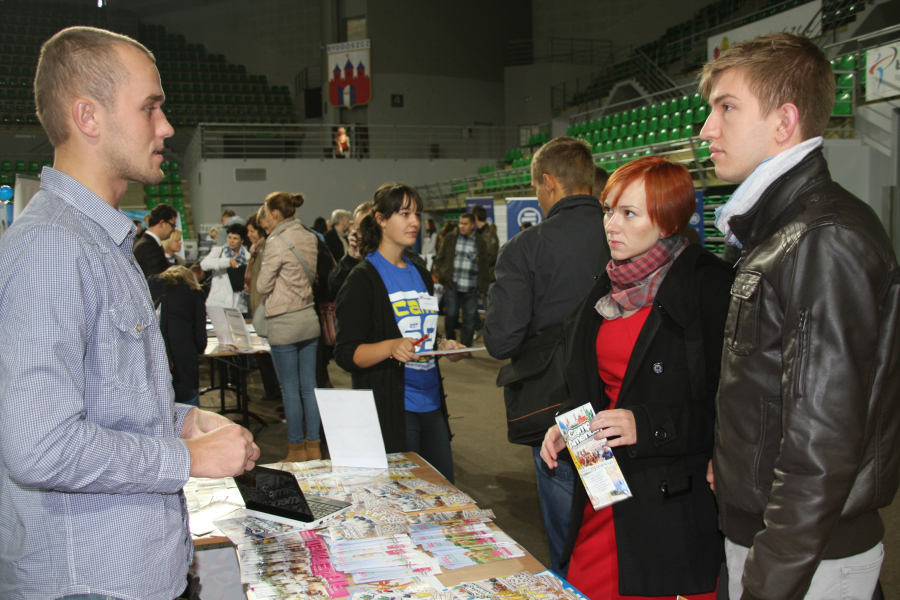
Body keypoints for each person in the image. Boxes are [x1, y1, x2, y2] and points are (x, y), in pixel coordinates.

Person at [0, 26, 258, 600]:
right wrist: (184, 456)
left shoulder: (102, 243)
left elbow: (104, 403)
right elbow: (40, 446)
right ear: (88, 117)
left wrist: (181, 421)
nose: (165, 127)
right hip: (90, 582)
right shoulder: (52, 246)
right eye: (149, 108)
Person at [700, 33, 900, 600]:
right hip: (774, 540)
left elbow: (823, 444)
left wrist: (770, 582)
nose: (707, 129)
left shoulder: (822, 237)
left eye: (727, 108)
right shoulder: (779, 231)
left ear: (784, 122)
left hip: (802, 558)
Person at [540, 156, 733, 599]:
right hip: (602, 486)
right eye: (609, 210)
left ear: (667, 221)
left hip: (668, 506)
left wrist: (645, 424)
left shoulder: (709, 288)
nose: (611, 225)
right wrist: (569, 424)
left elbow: (735, 412)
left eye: (629, 213)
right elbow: (590, 382)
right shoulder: (607, 284)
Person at [484, 136, 610, 574]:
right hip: (621, 400)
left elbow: (501, 341)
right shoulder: (623, 233)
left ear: (549, 182)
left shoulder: (526, 247)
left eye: (536, 186)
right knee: (609, 526)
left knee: (569, 535)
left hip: (564, 411)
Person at [334, 183, 466, 483]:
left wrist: (442, 344)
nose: (414, 222)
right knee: (408, 493)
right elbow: (346, 353)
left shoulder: (420, 273)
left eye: (417, 214)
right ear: (381, 220)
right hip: (394, 406)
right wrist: (390, 347)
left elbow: (422, 334)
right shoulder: (362, 280)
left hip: (432, 402)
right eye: (404, 214)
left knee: (444, 490)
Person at [257, 192, 322, 462]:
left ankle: (296, 450)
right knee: (309, 387)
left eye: (266, 213)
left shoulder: (276, 242)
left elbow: (262, 285)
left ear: (274, 213)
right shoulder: (310, 236)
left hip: (284, 322)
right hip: (309, 318)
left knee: (290, 390)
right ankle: (314, 447)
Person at [148, 265, 208, 407]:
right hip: (183, 359)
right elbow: (200, 337)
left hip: (153, 355)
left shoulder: (150, 287)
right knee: (188, 407)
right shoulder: (194, 293)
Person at [432, 213, 488, 348]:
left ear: (472, 225)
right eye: (460, 223)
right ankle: (451, 344)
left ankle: (464, 347)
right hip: (452, 284)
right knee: (451, 316)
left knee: (469, 319)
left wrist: (483, 287)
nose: (461, 226)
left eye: (465, 224)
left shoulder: (480, 241)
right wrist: (441, 275)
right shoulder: (451, 238)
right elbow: (439, 258)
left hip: (471, 286)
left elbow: (484, 266)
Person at [201, 222, 250, 312]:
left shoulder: (248, 257)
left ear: (242, 240)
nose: (231, 241)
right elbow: (204, 265)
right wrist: (226, 261)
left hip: (239, 304)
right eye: (229, 237)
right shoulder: (218, 251)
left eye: (235, 238)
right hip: (218, 302)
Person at [133, 202, 178, 277]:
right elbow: (155, 281)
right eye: (173, 226)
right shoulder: (149, 247)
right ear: (162, 223)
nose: (173, 230)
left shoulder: (148, 243)